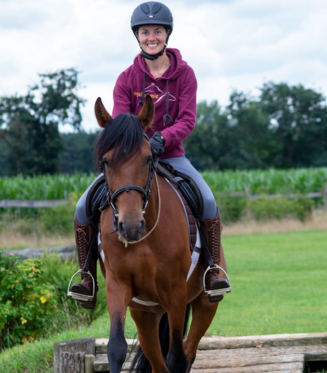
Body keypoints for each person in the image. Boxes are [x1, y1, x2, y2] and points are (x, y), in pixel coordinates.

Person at [68, 1, 231, 309]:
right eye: (145, 32)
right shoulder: (127, 79)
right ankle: (86, 276)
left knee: (207, 201)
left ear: (166, 34)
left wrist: (162, 139)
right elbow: (120, 126)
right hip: (132, 161)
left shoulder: (186, 74)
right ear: (137, 36)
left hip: (171, 156)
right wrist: (143, 144)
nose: (151, 37)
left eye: (157, 31)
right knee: (81, 207)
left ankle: (212, 270)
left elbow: (187, 119)